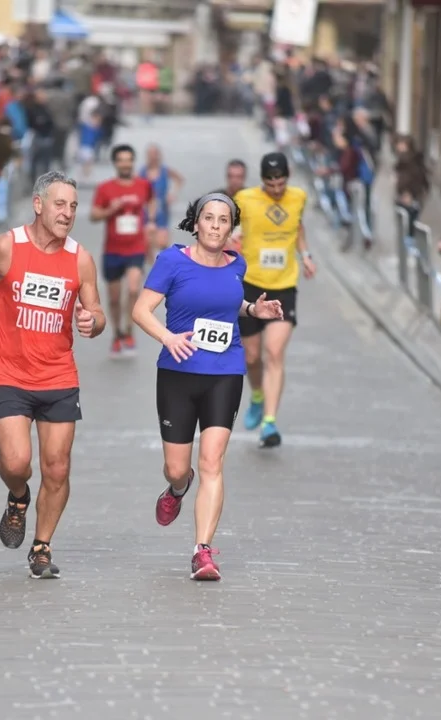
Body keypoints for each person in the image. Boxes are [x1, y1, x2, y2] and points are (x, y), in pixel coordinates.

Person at [0, 171, 106, 579]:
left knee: (57, 468)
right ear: (38, 205)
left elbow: (97, 312)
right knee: (16, 462)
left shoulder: (80, 258)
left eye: (73, 206)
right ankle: (18, 496)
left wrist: (93, 322)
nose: (68, 213)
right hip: (9, 373)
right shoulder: (7, 246)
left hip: (59, 376)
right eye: (60, 204)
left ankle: (41, 546)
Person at [131, 192, 283, 580]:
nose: (215, 226)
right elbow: (141, 310)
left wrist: (253, 309)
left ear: (231, 228)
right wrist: (167, 337)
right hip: (178, 372)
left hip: (225, 372)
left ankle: (203, 551)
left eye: (223, 220)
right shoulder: (172, 261)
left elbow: (227, 303)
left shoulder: (237, 264)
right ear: (196, 223)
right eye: (209, 218)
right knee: (177, 468)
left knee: (212, 462)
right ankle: (177, 489)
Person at [234, 152, 315, 447]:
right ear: (262, 180)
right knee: (251, 357)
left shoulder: (298, 197)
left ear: (287, 178)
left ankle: (269, 422)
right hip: (251, 285)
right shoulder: (245, 199)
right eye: (271, 185)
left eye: (281, 184)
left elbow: (298, 227)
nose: (277, 189)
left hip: (284, 286)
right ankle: (257, 395)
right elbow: (233, 229)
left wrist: (305, 255)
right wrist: (231, 241)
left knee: (274, 351)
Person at [90, 144, 155, 357]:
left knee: (134, 289)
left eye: (128, 160)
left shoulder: (143, 185)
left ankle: (129, 331)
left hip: (136, 248)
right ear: (115, 163)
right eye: (121, 160)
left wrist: (151, 221)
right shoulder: (105, 188)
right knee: (114, 298)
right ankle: (117, 334)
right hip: (113, 250)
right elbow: (94, 215)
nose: (125, 164)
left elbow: (152, 200)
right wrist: (111, 209)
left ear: (133, 162)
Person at [140, 143, 184, 265]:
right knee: (148, 242)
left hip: (162, 209)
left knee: (162, 242)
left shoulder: (165, 171)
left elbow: (179, 179)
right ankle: (152, 267)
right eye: (150, 154)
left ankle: (162, 264)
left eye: (155, 154)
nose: (153, 157)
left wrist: (173, 193)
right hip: (146, 210)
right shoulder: (142, 172)